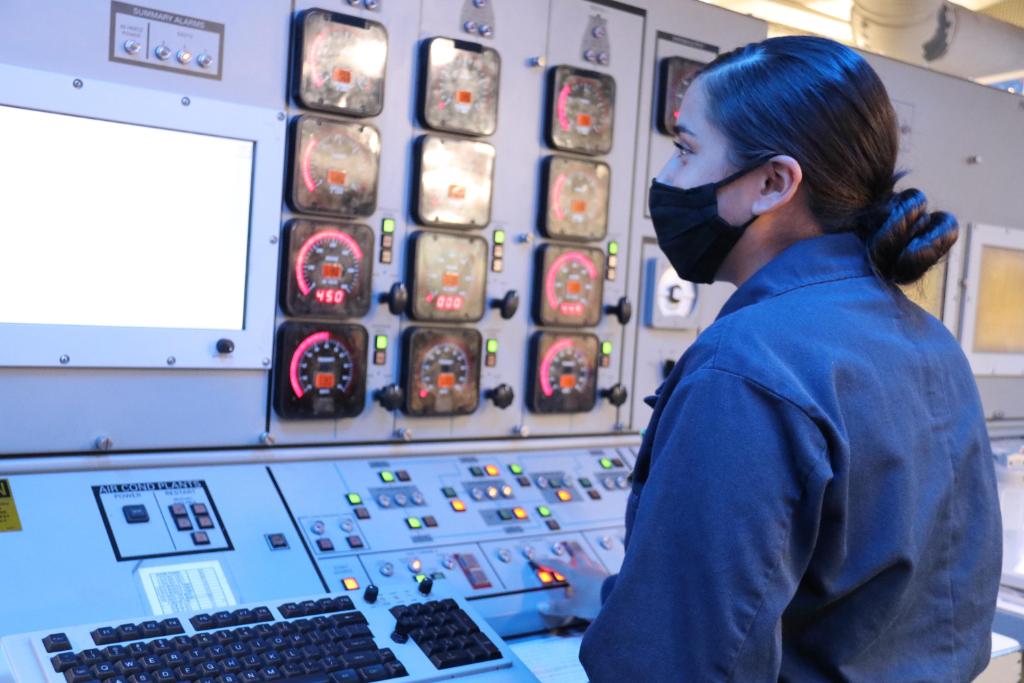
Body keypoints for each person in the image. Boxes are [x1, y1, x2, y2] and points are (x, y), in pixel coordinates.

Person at [537, 36, 1002, 681]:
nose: (667, 179)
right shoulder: (926, 338)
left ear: (772, 183)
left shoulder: (748, 366)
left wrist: (642, 630)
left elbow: (676, 667)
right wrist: (623, 601)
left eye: (685, 150)